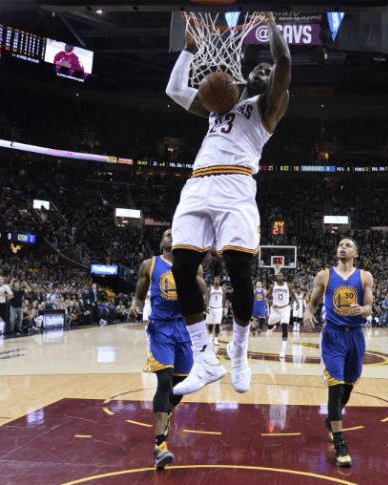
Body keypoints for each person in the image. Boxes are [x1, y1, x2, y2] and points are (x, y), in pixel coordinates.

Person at [165, 12, 291, 396]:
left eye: (266, 72)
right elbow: (173, 90)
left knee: (239, 270)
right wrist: (188, 52)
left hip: (236, 184)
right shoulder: (217, 107)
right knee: (183, 267)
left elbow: (283, 62)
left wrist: (270, 27)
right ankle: (205, 359)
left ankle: (239, 351)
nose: (263, 72)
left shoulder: (269, 107)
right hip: (198, 184)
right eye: (258, 69)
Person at [128, 229, 209, 469]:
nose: (171, 236)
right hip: (160, 329)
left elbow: (204, 292)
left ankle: (164, 413)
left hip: (184, 330)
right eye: (167, 234)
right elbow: (139, 297)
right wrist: (135, 307)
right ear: (162, 242)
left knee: (180, 386)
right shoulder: (149, 265)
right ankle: (160, 446)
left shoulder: (193, 266)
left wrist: (201, 309)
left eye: (175, 234)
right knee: (164, 382)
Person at [303, 237, 373, 468]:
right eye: (341, 245)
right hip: (332, 336)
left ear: (356, 252)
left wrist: (360, 309)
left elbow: (369, 308)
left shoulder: (365, 276)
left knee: (348, 386)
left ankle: (330, 420)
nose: (343, 247)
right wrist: (307, 312)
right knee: (336, 386)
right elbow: (313, 303)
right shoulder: (324, 275)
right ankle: (340, 442)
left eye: (348, 245)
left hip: (355, 337)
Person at [267, 272, 298, 359]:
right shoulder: (273, 286)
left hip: (285, 308)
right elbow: (267, 295)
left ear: (283, 277)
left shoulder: (288, 285)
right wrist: (266, 300)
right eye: (278, 275)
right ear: (276, 277)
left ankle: (283, 350)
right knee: (269, 325)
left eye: (281, 275)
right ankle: (272, 327)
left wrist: (297, 302)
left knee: (284, 326)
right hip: (275, 309)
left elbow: (293, 294)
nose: (280, 276)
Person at [206, 276, 225, 346]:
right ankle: (210, 337)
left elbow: (224, 299)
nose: (216, 281)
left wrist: (224, 307)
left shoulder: (222, 289)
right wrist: (207, 306)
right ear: (213, 281)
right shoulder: (210, 288)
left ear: (219, 281)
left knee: (217, 324)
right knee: (210, 324)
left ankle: (216, 339)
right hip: (211, 308)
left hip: (219, 308)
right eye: (215, 279)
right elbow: (207, 297)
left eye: (218, 280)